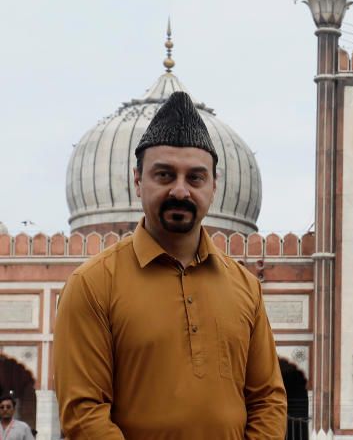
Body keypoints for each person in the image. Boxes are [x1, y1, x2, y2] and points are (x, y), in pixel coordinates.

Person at [53, 91, 286, 439]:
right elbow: (84, 414)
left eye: (195, 178)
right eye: (164, 175)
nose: (180, 191)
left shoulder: (244, 285)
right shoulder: (93, 284)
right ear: (138, 181)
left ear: (214, 185)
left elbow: (268, 400)